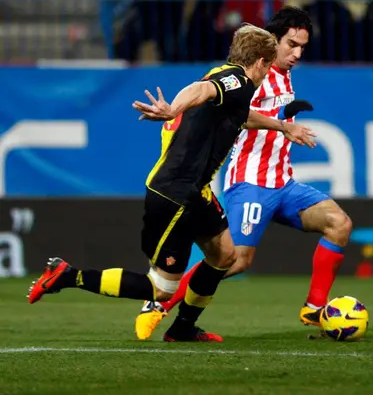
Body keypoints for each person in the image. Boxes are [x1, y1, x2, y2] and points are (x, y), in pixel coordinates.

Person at [27, 24, 315, 343]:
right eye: (270, 62)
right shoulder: (239, 81)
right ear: (261, 61)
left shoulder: (232, 83)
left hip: (197, 192)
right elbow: (200, 89)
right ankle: (68, 275)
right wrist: (172, 110)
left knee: (225, 256)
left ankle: (182, 329)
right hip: (174, 194)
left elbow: (240, 116)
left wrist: (280, 126)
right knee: (161, 289)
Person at [134, 6, 353, 341]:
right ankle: (160, 305)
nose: (297, 54)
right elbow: (218, 98)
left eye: (302, 48)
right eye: (291, 45)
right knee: (234, 260)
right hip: (250, 182)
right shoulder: (253, 75)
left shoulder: (285, 74)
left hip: (283, 182)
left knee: (339, 224)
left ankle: (313, 307)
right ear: (272, 42)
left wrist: (284, 125)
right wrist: (280, 118)